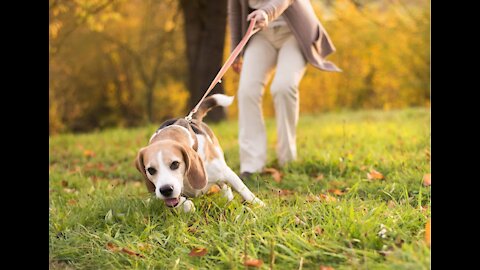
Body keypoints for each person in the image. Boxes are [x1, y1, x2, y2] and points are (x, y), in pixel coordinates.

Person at [228, 0, 341, 179]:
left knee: (283, 87)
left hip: (294, 32)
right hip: (261, 34)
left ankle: (287, 159)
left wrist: (266, 12)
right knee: (247, 91)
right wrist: (236, 48)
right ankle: (251, 165)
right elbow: (235, 9)